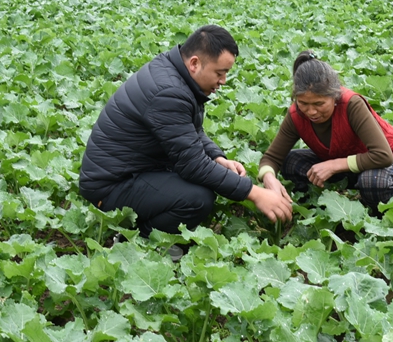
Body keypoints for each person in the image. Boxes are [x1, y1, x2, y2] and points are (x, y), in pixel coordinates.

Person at [79, 25, 292, 237]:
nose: (223, 81)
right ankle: (137, 238)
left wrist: (217, 157)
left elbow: (190, 131)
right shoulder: (169, 92)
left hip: (133, 169)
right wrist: (254, 193)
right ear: (194, 63)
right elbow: (193, 165)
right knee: (197, 198)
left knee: (203, 184)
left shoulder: (174, 71)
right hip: (110, 186)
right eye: (220, 73)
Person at [258, 51, 393, 208]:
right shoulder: (296, 115)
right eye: (303, 103)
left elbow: (383, 155)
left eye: (319, 104)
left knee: (373, 182)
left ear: (334, 96)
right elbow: (272, 158)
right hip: (350, 163)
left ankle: (375, 212)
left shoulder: (351, 105)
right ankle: (318, 205)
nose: (311, 111)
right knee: (290, 162)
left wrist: (333, 165)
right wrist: (269, 177)